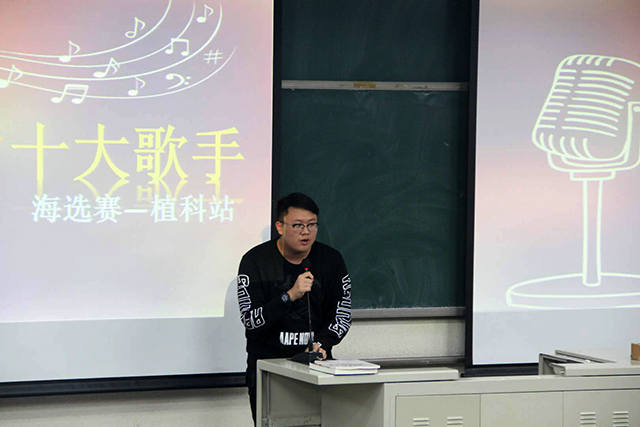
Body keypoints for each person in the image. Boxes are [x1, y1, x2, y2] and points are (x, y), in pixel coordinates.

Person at [237, 192, 352, 424]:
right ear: (280, 226)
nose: (306, 232)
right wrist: (289, 296)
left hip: (317, 366)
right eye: (298, 225)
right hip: (269, 366)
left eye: (312, 225)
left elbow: (341, 314)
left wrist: (323, 344)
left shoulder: (331, 260)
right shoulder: (256, 261)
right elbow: (251, 320)